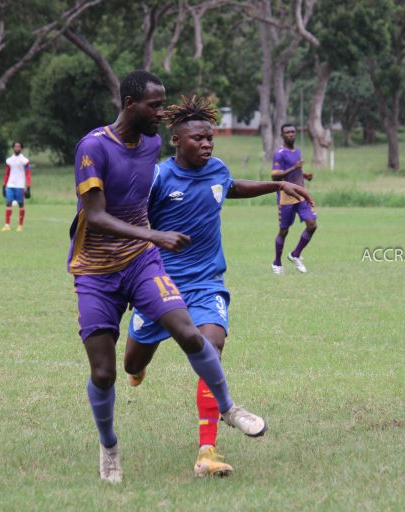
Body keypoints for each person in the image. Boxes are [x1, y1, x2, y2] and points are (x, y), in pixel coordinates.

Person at [67, 71, 267, 484]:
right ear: (129, 105)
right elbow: (96, 215)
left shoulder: (153, 143)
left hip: (142, 263)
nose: (161, 113)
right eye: (154, 106)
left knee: (193, 334)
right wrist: (154, 234)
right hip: (97, 270)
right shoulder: (93, 146)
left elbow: (222, 186)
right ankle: (109, 447)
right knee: (107, 373)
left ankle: (227, 408)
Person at [123, 96, 312, 478]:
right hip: (159, 284)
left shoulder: (217, 170)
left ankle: (207, 450)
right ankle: (138, 368)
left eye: (210, 138)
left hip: (207, 281)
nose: (206, 144)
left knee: (211, 345)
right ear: (176, 140)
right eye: (198, 139)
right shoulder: (158, 177)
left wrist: (276, 185)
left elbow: (231, 187)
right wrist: (155, 238)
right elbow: (131, 217)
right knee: (132, 363)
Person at [270, 124, 317, 274]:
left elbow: (295, 170)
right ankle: (277, 263)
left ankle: (295, 254)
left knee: (312, 224)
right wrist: (295, 168)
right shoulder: (279, 154)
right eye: (287, 132)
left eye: (293, 132)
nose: (291, 134)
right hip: (286, 197)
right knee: (284, 231)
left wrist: (304, 175)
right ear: (282, 135)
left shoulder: (297, 151)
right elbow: (275, 176)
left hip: (301, 195)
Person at [1, 141, 31, 232]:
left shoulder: (25, 161)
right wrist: (4, 185)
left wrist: (28, 186)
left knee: (21, 204)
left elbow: (28, 174)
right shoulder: (9, 160)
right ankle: (7, 225)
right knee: (8, 203)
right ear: (13, 148)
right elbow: (7, 174)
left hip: (20, 185)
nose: (17, 148)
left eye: (18, 146)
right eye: (15, 146)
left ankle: (20, 225)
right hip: (10, 184)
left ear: (21, 148)